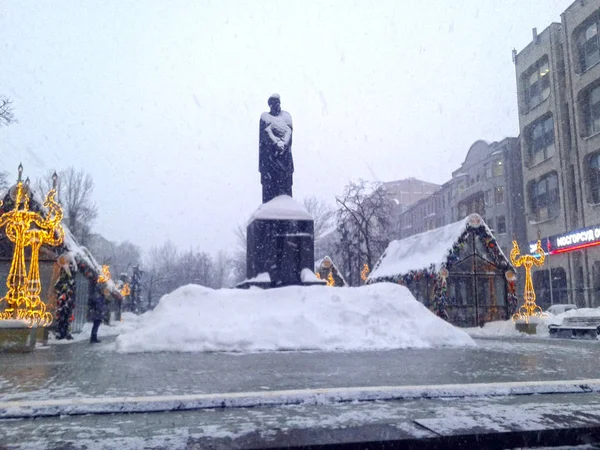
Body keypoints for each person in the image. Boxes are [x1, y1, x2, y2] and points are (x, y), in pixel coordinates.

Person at [259, 93, 294, 203]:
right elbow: (266, 131)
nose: (276, 105)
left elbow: (289, 130)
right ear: (270, 105)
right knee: (271, 184)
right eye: (273, 104)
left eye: (277, 103)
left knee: (285, 183)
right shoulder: (265, 116)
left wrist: (283, 143)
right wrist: (276, 143)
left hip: (284, 157)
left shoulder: (286, 116)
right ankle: (271, 203)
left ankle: (285, 202)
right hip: (270, 158)